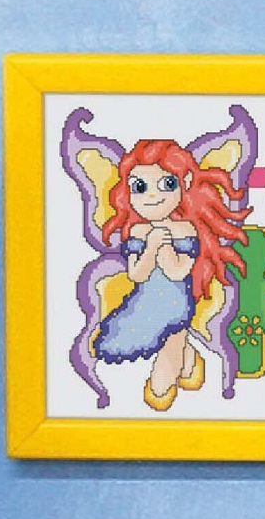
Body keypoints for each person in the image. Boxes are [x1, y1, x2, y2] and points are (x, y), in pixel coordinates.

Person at [94, 138, 249, 409]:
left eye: (166, 184)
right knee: (161, 337)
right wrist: (151, 246)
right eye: (140, 187)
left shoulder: (185, 230)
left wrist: (163, 246)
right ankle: (189, 367)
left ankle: (160, 389)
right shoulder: (137, 232)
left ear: (185, 182)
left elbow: (178, 271)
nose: (152, 196)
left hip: (176, 300)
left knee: (171, 343)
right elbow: (137, 274)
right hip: (145, 299)